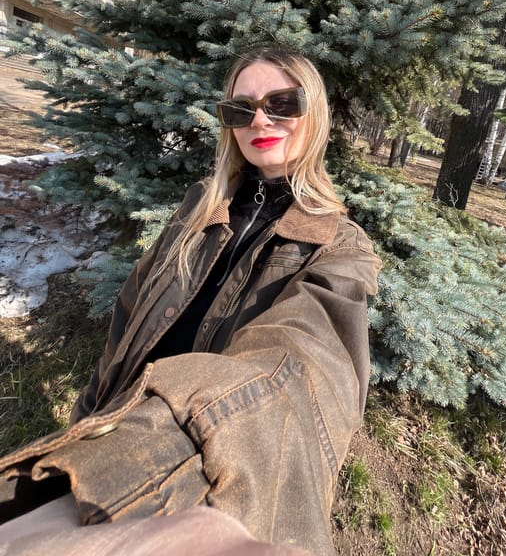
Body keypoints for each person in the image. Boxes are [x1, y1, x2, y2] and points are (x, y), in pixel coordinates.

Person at [0, 48, 381, 555]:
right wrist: (88, 419)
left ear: (316, 111)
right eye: (240, 109)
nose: (260, 120)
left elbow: (297, 370)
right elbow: (127, 322)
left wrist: (156, 451)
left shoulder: (339, 249)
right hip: (110, 436)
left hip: (204, 484)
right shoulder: (201, 207)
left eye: (282, 102)